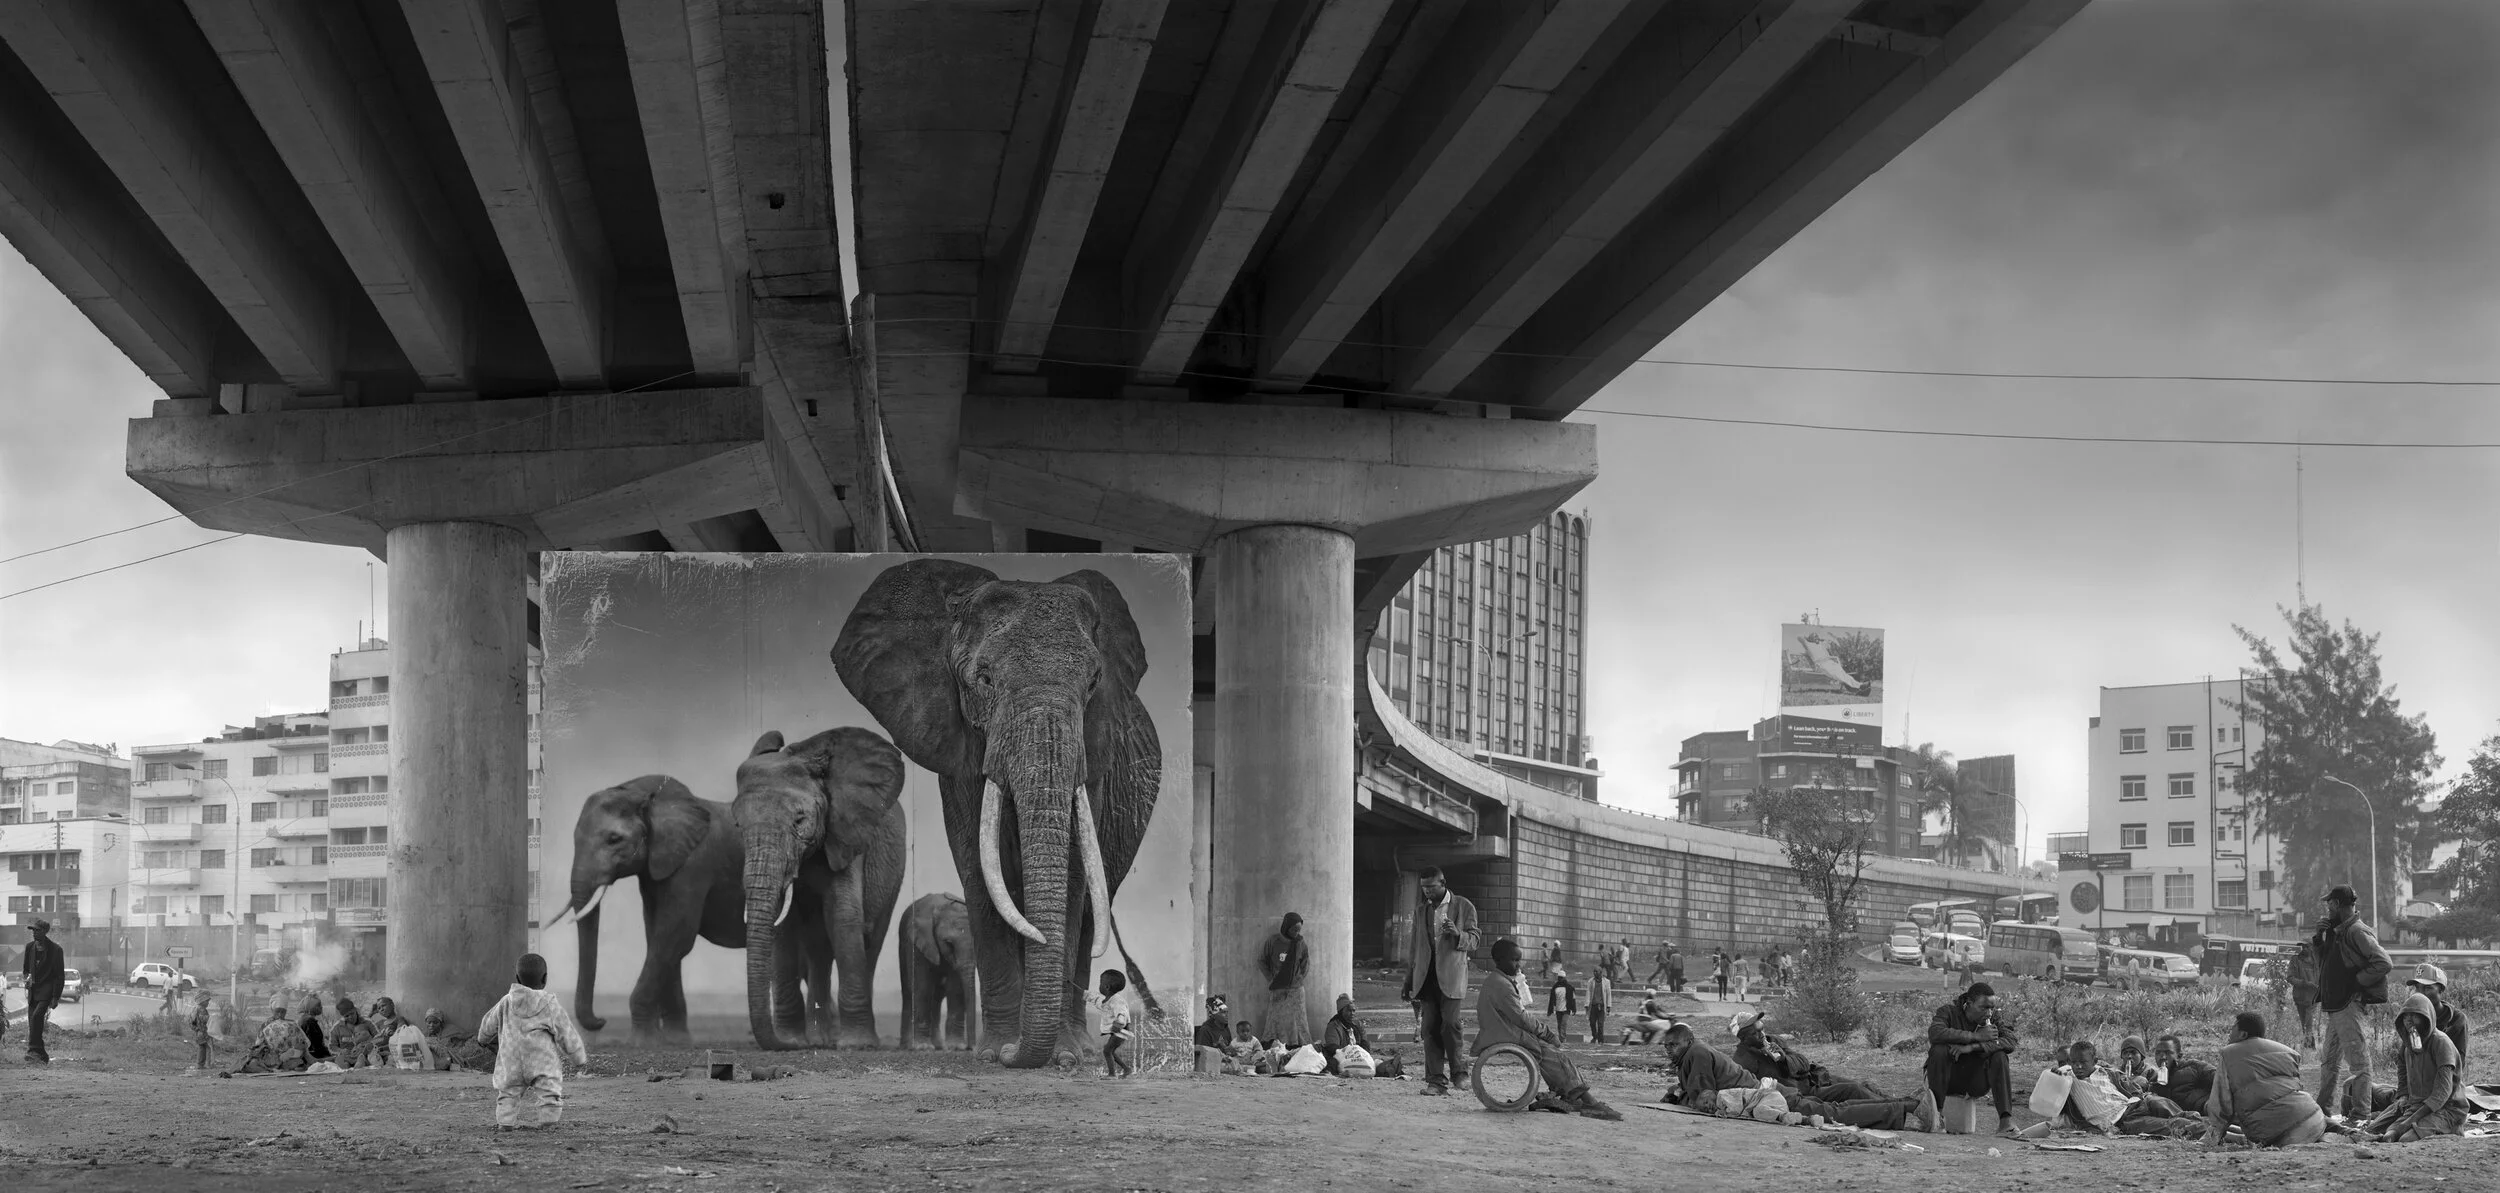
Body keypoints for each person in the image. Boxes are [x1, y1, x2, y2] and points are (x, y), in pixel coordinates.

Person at [1668, 1022, 1932, 1130]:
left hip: (1778, 1096)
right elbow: (1705, 1096)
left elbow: (1705, 1100)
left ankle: (1907, 1107)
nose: (1669, 1050)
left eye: (1674, 1045)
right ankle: (1908, 1106)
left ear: (1688, 1041)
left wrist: (1781, 1057)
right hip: (1781, 1094)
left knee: (1837, 1110)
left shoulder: (1697, 1053)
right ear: (1743, 1037)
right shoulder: (1726, 1055)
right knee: (1836, 1108)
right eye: (1667, 1046)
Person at [1473, 937, 1620, 1120]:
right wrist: (1547, 1033)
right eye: (1514, 960)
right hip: (1503, 1033)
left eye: (1519, 960)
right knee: (1554, 1055)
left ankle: (1571, 1094)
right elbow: (1522, 1017)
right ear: (1499, 960)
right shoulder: (1501, 984)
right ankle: (1587, 1100)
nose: (1518, 965)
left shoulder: (1497, 980)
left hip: (1501, 1030)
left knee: (1550, 1052)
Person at [477, 953, 589, 1129]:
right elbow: (566, 1032)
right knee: (549, 1091)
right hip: (541, 1061)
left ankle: (505, 1123)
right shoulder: (549, 1004)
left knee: (508, 1093)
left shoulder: (506, 1002)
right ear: (545, 979)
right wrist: (578, 1057)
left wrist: (482, 1038)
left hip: (511, 1061)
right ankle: (549, 1121)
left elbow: (488, 1024)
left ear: (517, 978)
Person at [2310, 883, 2392, 1120]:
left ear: (2337, 904)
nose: (2327, 909)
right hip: (2335, 1006)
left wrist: (2356, 983)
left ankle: (2361, 1115)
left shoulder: (2356, 931)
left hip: (2348, 1006)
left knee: (2359, 1064)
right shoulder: (2337, 931)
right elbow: (2325, 962)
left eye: (2329, 905)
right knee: (2329, 1062)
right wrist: (2318, 939)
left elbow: (2383, 963)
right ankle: (2323, 1111)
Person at [1398, 866, 1481, 1097]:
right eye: (1423, 888)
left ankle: (1459, 1074)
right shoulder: (1421, 911)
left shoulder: (1463, 906)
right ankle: (1435, 1081)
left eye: (1431, 887)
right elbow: (1414, 948)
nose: (1427, 892)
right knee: (1429, 1029)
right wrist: (1408, 980)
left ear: (1443, 883)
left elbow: (1475, 940)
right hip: (1426, 978)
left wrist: (1457, 933)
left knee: (1450, 1025)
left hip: (1452, 977)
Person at [2355, 992, 2466, 1142]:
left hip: (2447, 1108)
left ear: (2426, 1018)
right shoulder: (2408, 1045)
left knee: (2405, 1139)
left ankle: (2452, 1129)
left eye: (2414, 1016)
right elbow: (2402, 1072)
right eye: (2406, 1016)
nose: (2409, 1021)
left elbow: (2441, 1094)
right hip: (2415, 1104)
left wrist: (2407, 1123)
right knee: (2374, 1132)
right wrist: (2403, 1096)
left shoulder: (2441, 1043)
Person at [2203, 1011, 2325, 1147]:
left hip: (2277, 1131)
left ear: (2243, 1034)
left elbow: (2221, 1106)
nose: (2229, 1034)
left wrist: (2210, 1139)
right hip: (2315, 1119)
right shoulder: (2288, 1052)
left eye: (2232, 1029)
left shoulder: (2229, 1053)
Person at [1924, 982, 2019, 1135]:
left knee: (1999, 1055)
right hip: (1947, 1079)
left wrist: (1973, 1047)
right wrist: (1975, 1036)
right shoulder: (1948, 1012)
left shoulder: (1994, 1019)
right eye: (1984, 1008)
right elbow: (1935, 1033)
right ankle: (1936, 1115)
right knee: (1939, 1050)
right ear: (1969, 1003)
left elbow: (2010, 1041)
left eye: (1991, 1008)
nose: (1989, 1013)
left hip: (1976, 1081)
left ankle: (2006, 1121)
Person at [1733, 1015, 1891, 1102]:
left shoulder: (1772, 1041)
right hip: (1805, 1093)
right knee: (1853, 1090)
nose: (1762, 1035)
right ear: (1743, 1038)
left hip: (1815, 1078)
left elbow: (1804, 1063)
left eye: (1761, 1029)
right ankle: (1895, 1109)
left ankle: (1897, 1103)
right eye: (1755, 1033)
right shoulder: (1742, 1061)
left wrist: (1784, 1059)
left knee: (1863, 1085)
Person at [2021, 1041, 2128, 1136]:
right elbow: (2047, 1102)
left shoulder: (2105, 1072)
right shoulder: (2067, 1077)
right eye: (2074, 1062)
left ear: (2094, 1061)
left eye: (2083, 1062)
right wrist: (2054, 1080)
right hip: (2114, 1120)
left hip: (2126, 1107)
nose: (2078, 1066)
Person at [2401, 964, 2469, 1077]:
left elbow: (2458, 1064)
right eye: (2417, 988)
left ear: (2441, 989)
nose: (2421, 994)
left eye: (2428, 988)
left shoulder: (2457, 1020)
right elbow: (2403, 1060)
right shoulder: (2413, 1017)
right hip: (2418, 1081)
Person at [1257, 912, 1311, 1048]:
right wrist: (1270, 979)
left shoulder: (1300, 942)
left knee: (1298, 1020)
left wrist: (1299, 978)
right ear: (1286, 927)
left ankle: (1298, 1047)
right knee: (1276, 1019)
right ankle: (1277, 1047)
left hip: (1296, 989)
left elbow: (1305, 962)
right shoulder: (1273, 941)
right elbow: (1262, 960)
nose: (1296, 933)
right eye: (1294, 929)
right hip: (1278, 987)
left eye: (1299, 930)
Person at [19, 918, 64, 1064]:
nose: (34, 933)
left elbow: (59, 976)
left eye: (37, 930)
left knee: (36, 1017)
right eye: (33, 930)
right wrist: (26, 978)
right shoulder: (29, 947)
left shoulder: (56, 950)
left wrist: (55, 997)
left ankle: (32, 1051)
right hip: (33, 990)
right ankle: (42, 1054)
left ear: (45, 931)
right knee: (33, 1023)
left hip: (47, 991)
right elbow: (26, 970)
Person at [235, 1000, 311, 1074]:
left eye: (283, 1012)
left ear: (286, 1012)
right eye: (277, 1011)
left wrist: (291, 1051)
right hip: (268, 1056)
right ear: (272, 1010)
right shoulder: (265, 1024)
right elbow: (258, 1044)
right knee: (252, 1063)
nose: (280, 1014)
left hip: (288, 1057)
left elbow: (304, 1042)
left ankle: (275, 1068)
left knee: (296, 1061)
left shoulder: (291, 1024)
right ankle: (272, 1068)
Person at [1320, 994, 1371, 1076]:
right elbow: (1333, 1047)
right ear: (1341, 1012)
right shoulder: (1334, 1026)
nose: (1352, 1013)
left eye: (1354, 1011)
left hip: (1359, 1057)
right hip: (1342, 1058)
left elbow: (1365, 1042)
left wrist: (1360, 1054)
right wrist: (1350, 1053)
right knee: (1333, 1063)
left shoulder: (1357, 1024)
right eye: (1349, 1011)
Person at [1095, 969, 1134, 1078]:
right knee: (1110, 1051)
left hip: (1121, 1030)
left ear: (1107, 987)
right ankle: (1126, 1069)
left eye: (1100, 982)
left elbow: (1122, 1013)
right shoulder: (1111, 999)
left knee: (1107, 1051)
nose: (1099, 985)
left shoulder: (1117, 1000)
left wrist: (1119, 1023)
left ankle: (1112, 1074)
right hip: (1120, 1030)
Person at [2285, 941, 2321, 1049]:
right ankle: (2309, 1045)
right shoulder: (2295, 960)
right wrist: (2305, 984)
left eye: (2306, 946)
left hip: (2313, 997)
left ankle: (2309, 1045)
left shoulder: (2317, 960)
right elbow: (2290, 977)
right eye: (2302, 946)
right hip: (2300, 997)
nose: (2304, 948)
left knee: (2308, 1022)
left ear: (2311, 947)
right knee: (2304, 1023)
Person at [366, 997, 413, 1068]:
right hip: (376, 1052)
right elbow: (365, 1025)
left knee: (390, 1059)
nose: (381, 1009)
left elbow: (401, 1035)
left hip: (390, 1051)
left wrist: (392, 1034)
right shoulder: (380, 1023)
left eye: (383, 1005)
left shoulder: (398, 1019)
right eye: (379, 1008)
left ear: (392, 1005)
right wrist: (371, 1013)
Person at [330, 998, 374, 1069]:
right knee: (339, 1060)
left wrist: (368, 1046)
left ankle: (360, 1064)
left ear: (355, 1010)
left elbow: (378, 1037)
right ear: (342, 1016)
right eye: (346, 1016)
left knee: (364, 1058)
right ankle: (346, 1066)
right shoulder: (337, 1027)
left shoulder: (367, 1022)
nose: (350, 1017)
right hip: (348, 1056)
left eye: (352, 1013)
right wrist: (341, 1051)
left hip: (365, 1054)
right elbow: (332, 1046)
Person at [1544, 968, 1578, 1041]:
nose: (1560, 979)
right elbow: (1551, 999)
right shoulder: (1555, 987)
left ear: (1564, 978)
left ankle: (1562, 1038)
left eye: (1561, 978)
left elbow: (1573, 999)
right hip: (1558, 1009)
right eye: (1559, 977)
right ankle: (1561, 1037)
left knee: (1563, 1023)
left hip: (1566, 1009)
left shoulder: (1569, 988)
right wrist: (1550, 1010)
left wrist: (1574, 1009)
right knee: (1559, 1024)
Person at [186, 992, 216, 1072]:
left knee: (201, 1048)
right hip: (204, 1032)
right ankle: (208, 1064)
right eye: (207, 1001)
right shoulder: (202, 1010)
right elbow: (205, 1021)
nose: (208, 1003)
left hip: (198, 1033)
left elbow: (191, 1022)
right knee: (209, 1047)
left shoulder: (195, 1009)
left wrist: (196, 1029)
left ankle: (200, 1064)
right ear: (202, 1001)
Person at [1585, 963, 1611, 1044]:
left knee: (1600, 1024)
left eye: (1596, 971)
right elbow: (1588, 992)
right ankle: (1594, 1036)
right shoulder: (1590, 981)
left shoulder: (1606, 982)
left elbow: (1608, 994)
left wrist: (1609, 1005)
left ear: (1601, 972)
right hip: (1593, 1006)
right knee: (1592, 1023)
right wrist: (1587, 1004)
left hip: (1602, 1006)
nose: (1595, 973)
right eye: (1594, 971)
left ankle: (1601, 1040)